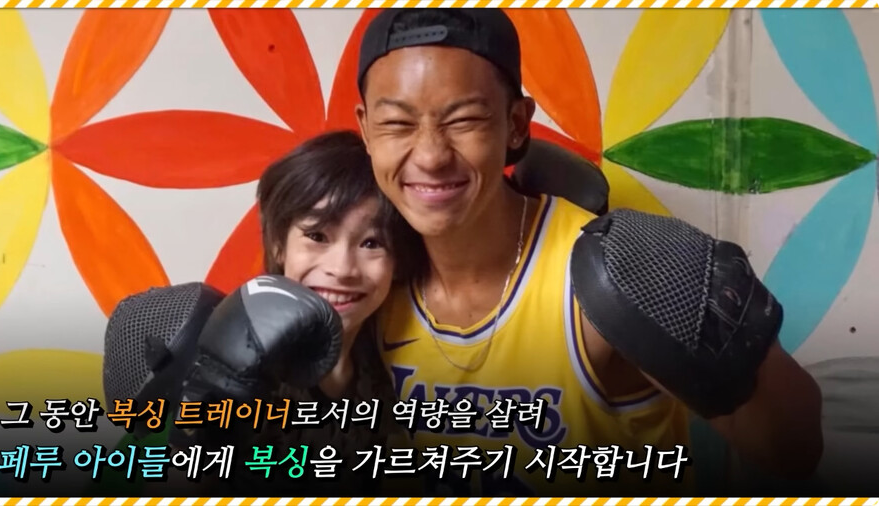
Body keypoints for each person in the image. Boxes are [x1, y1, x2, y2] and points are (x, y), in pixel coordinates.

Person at [353, 8, 823, 496]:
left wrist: (715, 321)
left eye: (465, 120)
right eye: (397, 124)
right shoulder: (372, 280)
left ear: (516, 124)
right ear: (366, 130)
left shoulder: (602, 282)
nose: (431, 155)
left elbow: (795, 449)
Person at [193, 130, 423, 496]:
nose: (342, 269)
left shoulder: (402, 364)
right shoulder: (224, 360)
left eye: (372, 243)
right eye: (317, 236)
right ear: (278, 245)